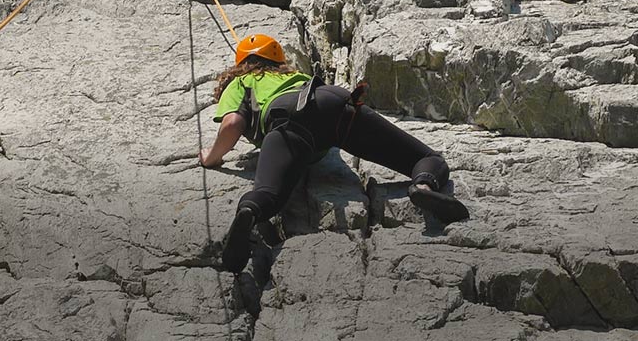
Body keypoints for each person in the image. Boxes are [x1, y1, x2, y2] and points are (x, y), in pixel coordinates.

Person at [200, 33, 469, 273]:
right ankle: (422, 184)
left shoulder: (242, 82)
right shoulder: (294, 76)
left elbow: (232, 124)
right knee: (427, 158)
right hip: (334, 103)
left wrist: (211, 157)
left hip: (289, 123)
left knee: (267, 196)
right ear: (278, 60)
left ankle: (248, 212)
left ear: (239, 65)